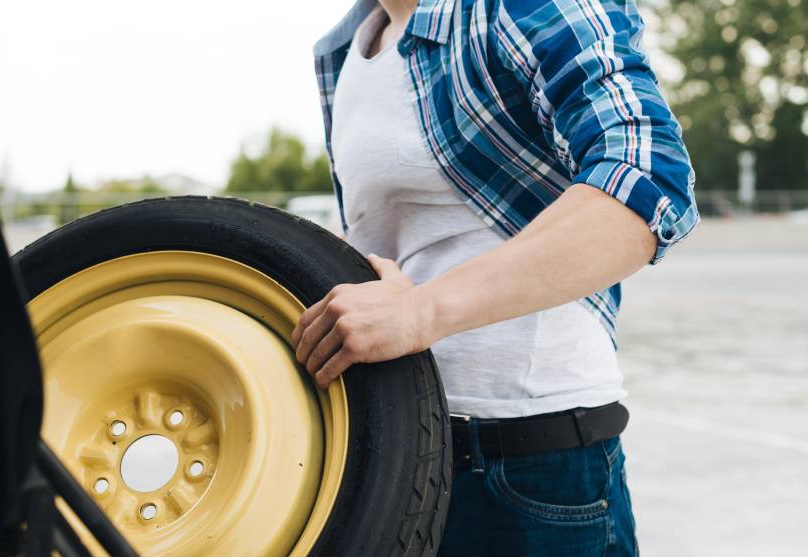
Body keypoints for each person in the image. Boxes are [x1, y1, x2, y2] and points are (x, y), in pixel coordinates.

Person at [292, 0, 698, 554]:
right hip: (392, 455)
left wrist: (422, 312)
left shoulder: (511, 8)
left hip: (529, 464)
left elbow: (647, 176)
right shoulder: (342, 51)